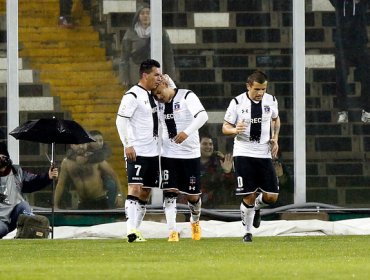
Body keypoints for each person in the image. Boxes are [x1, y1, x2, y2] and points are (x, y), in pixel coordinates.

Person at [222, 70, 281, 242]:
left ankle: (256, 207)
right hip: (243, 153)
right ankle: (247, 233)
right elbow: (225, 127)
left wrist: (275, 138)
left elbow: (276, 119)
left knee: (271, 197)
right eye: (257, 89)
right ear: (248, 86)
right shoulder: (237, 102)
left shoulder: (271, 100)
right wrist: (234, 130)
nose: (260, 93)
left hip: (264, 154)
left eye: (263, 89)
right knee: (249, 194)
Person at [152, 74, 208, 242]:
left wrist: (186, 132)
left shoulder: (186, 96)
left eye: (159, 93)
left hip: (190, 155)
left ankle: (195, 221)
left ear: (165, 84)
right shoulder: (159, 102)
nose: (158, 98)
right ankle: (172, 231)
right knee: (170, 192)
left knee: (193, 196)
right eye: (155, 96)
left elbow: (203, 116)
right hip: (168, 154)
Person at [116, 59, 162, 242]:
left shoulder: (152, 95)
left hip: (153, 152)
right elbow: (121, 120)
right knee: (134, 188)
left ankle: (137, 230)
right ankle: (131, 231)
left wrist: (167, 81)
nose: (159, 78)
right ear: (145, 75)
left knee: (145, 192)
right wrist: (127, 144)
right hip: (137, 151)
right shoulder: (132, 95)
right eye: (156, 74)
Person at [0, 142, 58, 238]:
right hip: (1, 221)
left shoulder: (16, 172)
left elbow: (32, 181)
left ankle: (33, 228)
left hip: (15, 216)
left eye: (3, 158)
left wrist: (48, 176)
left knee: (24, 205)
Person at [329, 0, 370, 123]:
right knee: (341, 77)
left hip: (360, 43)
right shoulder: (339, 2)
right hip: (342, 44)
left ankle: (367, 111)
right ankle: (343, 111)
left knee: (366, 76)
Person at [119, 3, 176, 87]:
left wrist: (170, 76)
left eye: (148, 13)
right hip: (136, 76)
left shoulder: (160, 32)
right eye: (142, 13)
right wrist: (124, 77)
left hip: (155, 76)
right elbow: (124, 58)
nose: (145, 16)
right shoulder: (130, 34)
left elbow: (168, 55)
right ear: (138, 16)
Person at [54, 143, 123, 210]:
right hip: (82, 203)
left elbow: (114, 175)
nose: (81, 146)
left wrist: (119, 194)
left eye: (83, 144)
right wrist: (55, 205)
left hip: (99, 201)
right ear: (71, 145)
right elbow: (60, 184)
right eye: (77, 144)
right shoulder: (66, 162)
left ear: (87, 144)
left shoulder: (96, 159)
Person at [199, 134, 235, 208]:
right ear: (197, 145)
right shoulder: (190, 163)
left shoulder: (220, 163)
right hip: (191, 207)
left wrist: (227, 172)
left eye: (210, 144)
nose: (208, 147)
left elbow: (229, 188)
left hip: (215, 208)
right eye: (205, 144)